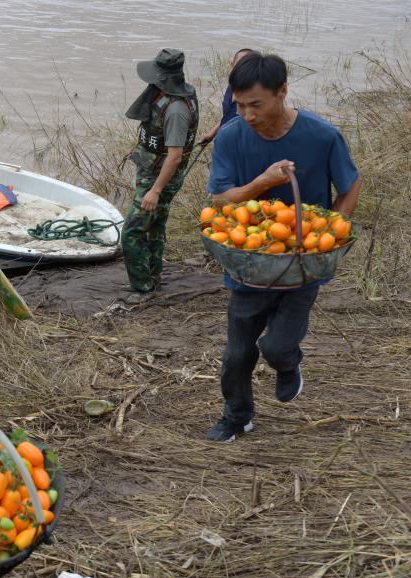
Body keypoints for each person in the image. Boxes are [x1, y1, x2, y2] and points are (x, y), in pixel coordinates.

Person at [205, 52, 361, 442]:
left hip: (302, 267)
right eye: (239, 105)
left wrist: (335, 229)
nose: (247, 114)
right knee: (236, 355)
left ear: (283, 92)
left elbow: (350, 185)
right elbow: (221, 201)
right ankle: (237, 416)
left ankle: (288, 361)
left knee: (276, 345)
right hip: (249, 265)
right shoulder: (231, 136)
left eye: (256, 104)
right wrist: (261, 183)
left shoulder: (321, 135)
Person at [122, 49, 200, 304]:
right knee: (154, 227)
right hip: (152, 173)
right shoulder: (169, 96)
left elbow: (175, 156)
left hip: (159, 179)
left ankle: (143, 289)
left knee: (132, 232)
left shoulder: (176, 110)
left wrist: (155, 191)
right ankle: (152, 279)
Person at [198, 48, 255, 145]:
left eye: (247, 66)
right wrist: (212, 134)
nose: (242, 70)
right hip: (223, 144)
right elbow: (228, 115)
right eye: (239, 65)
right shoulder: (231, 86)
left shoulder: (255, 97)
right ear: (231, 65)